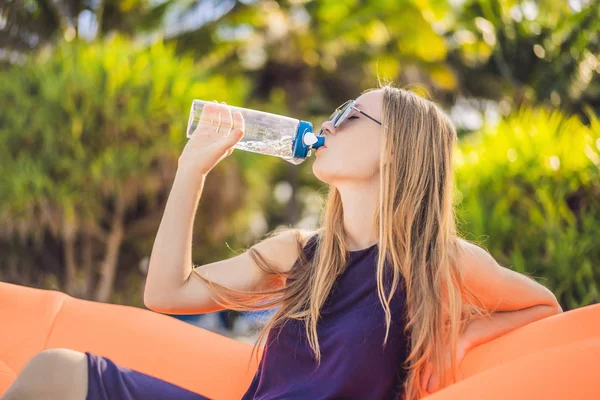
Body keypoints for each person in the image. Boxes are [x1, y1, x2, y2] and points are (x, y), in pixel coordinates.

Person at [1, 83, 562, 400]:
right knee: (56, 371)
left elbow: (544, 305)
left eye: (350, 114)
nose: (330, 123)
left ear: (397, 149)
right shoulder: (302, 252)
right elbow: (166, 293)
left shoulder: (437, 262)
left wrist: (461, 339)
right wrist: (192, 170)